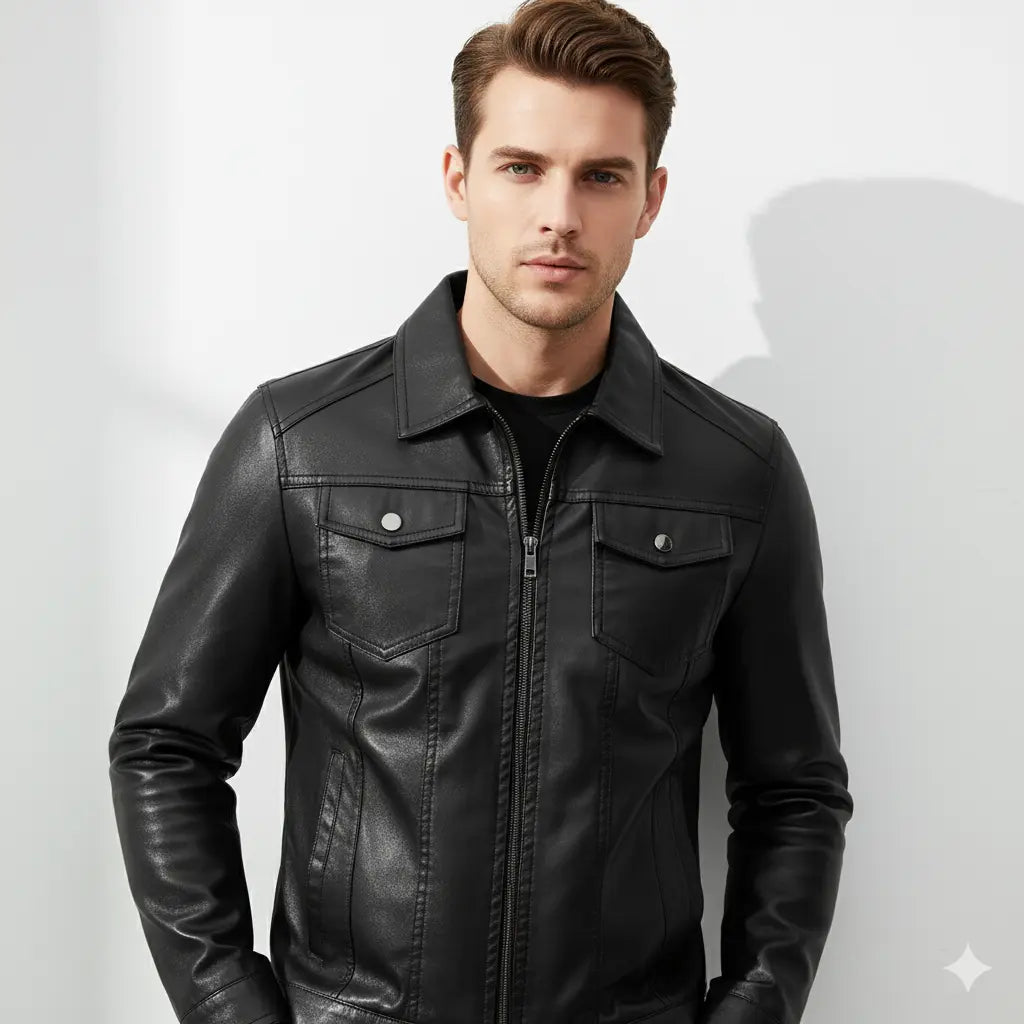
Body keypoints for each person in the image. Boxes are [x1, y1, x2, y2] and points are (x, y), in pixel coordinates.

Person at [108, 2, 854, 1023]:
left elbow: (793, 789)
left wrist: (754, 1007)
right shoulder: (300, 443)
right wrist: (227, 1005)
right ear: (459, 179)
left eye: (602, 176)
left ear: (650, 199)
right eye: (521, 167)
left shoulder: (735, 470)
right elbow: (167, 744)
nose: (560, 214)